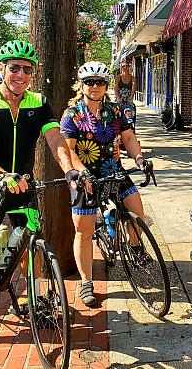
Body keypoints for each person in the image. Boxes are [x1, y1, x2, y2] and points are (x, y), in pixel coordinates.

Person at [0, 40, 75, 355]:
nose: (21, 74)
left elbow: (54, 138)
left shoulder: (38, 102)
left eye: (27, 69)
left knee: (30, 243)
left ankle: (33, 299)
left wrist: (71, 169)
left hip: (24, 185)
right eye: (15, 68)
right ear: (1, 69)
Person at [61, 61, 151, 306]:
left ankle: (134, 246)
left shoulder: (115, 110)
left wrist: (140, 158)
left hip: (114, 171)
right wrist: (81, 173)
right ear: (81, 85)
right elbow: (69, 151)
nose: (95, 87)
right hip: (85, 177)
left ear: (106, 85)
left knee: (137, 213)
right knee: (84, 230)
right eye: (90, 82)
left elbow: (129, 137)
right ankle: (86, 282)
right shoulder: (72, 115)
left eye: (99, 82)